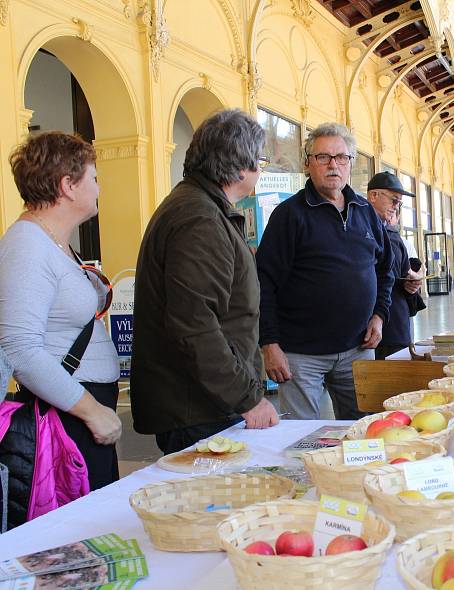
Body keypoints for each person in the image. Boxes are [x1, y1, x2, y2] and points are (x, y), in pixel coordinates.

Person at [130, 109, 279, 455]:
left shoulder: (198, 207)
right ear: (241, 166)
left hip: (204, 403)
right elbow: (195, 325)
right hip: (200, 409)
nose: (260, 170)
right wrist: (248, 399)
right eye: (261, 161)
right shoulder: (201, 218)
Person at [0, 131, 122, 489]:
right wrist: (92, 411)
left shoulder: (53, 242)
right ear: (68, 185)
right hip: (67, 414)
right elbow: (21, 348)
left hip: (76, 410)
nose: (99, 188)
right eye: (94, 178)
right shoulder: (27, 245)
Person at [257, 123, 393, 420]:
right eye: (323, 157)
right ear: (308, 164)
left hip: (358, 349)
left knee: (363, 433)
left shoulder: (365, 212)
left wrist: (380, 316)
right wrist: (270, 345)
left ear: (350, 164)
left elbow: (385, 271)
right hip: (301, 356)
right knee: (303, 442)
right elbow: (263, 282)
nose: (333, 165)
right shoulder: (289, 215)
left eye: (341, 157)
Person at [366, 172, 425, 360]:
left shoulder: (393, 234)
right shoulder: (360, 228)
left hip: (397, 321)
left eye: (399, 203)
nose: (396, 207)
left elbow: (404, 273)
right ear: (374, 196)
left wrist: (411, 284)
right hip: (371, 323)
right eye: (393, 200)